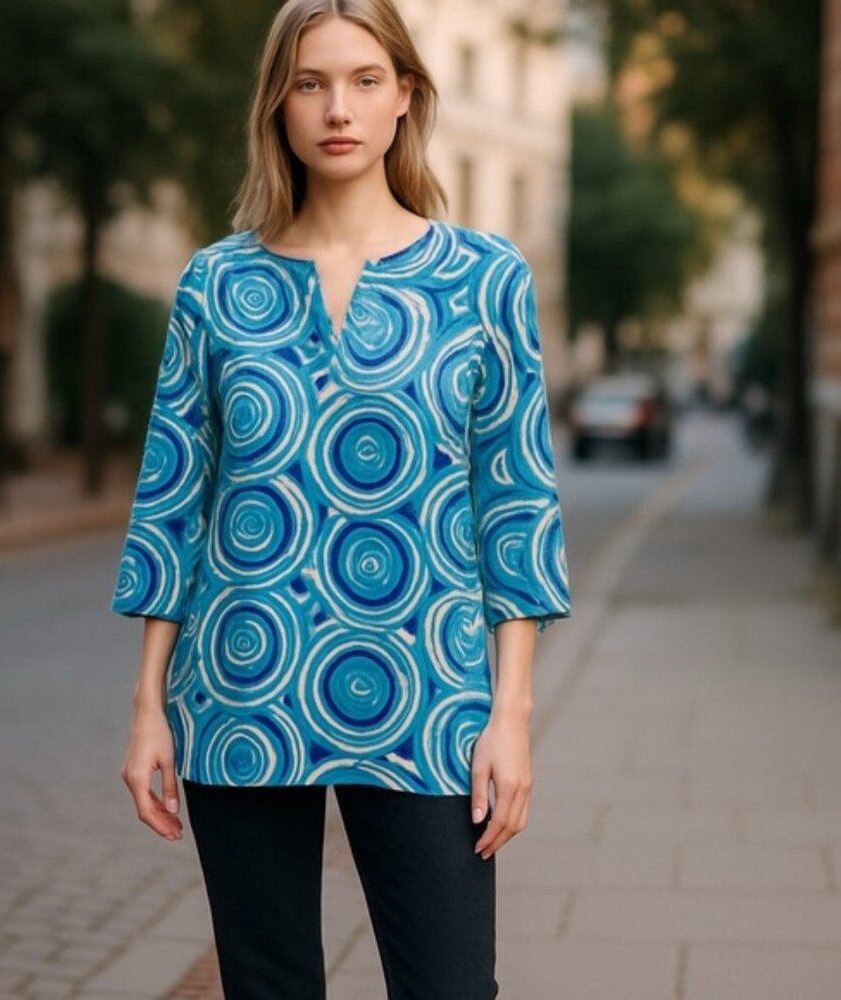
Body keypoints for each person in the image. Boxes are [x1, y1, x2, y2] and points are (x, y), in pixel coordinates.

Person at [111, 0, 572, 996]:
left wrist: (512, 713)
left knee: (449, 983)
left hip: (428, 688)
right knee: (269, 984)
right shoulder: (214, 284)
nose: (338, 109)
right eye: (310, 83)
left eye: (365, 80)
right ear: (276, 104)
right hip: (243, 687)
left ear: (406, 96)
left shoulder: (483, 278)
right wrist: (148, 704)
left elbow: (516, 504)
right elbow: (172, 496)